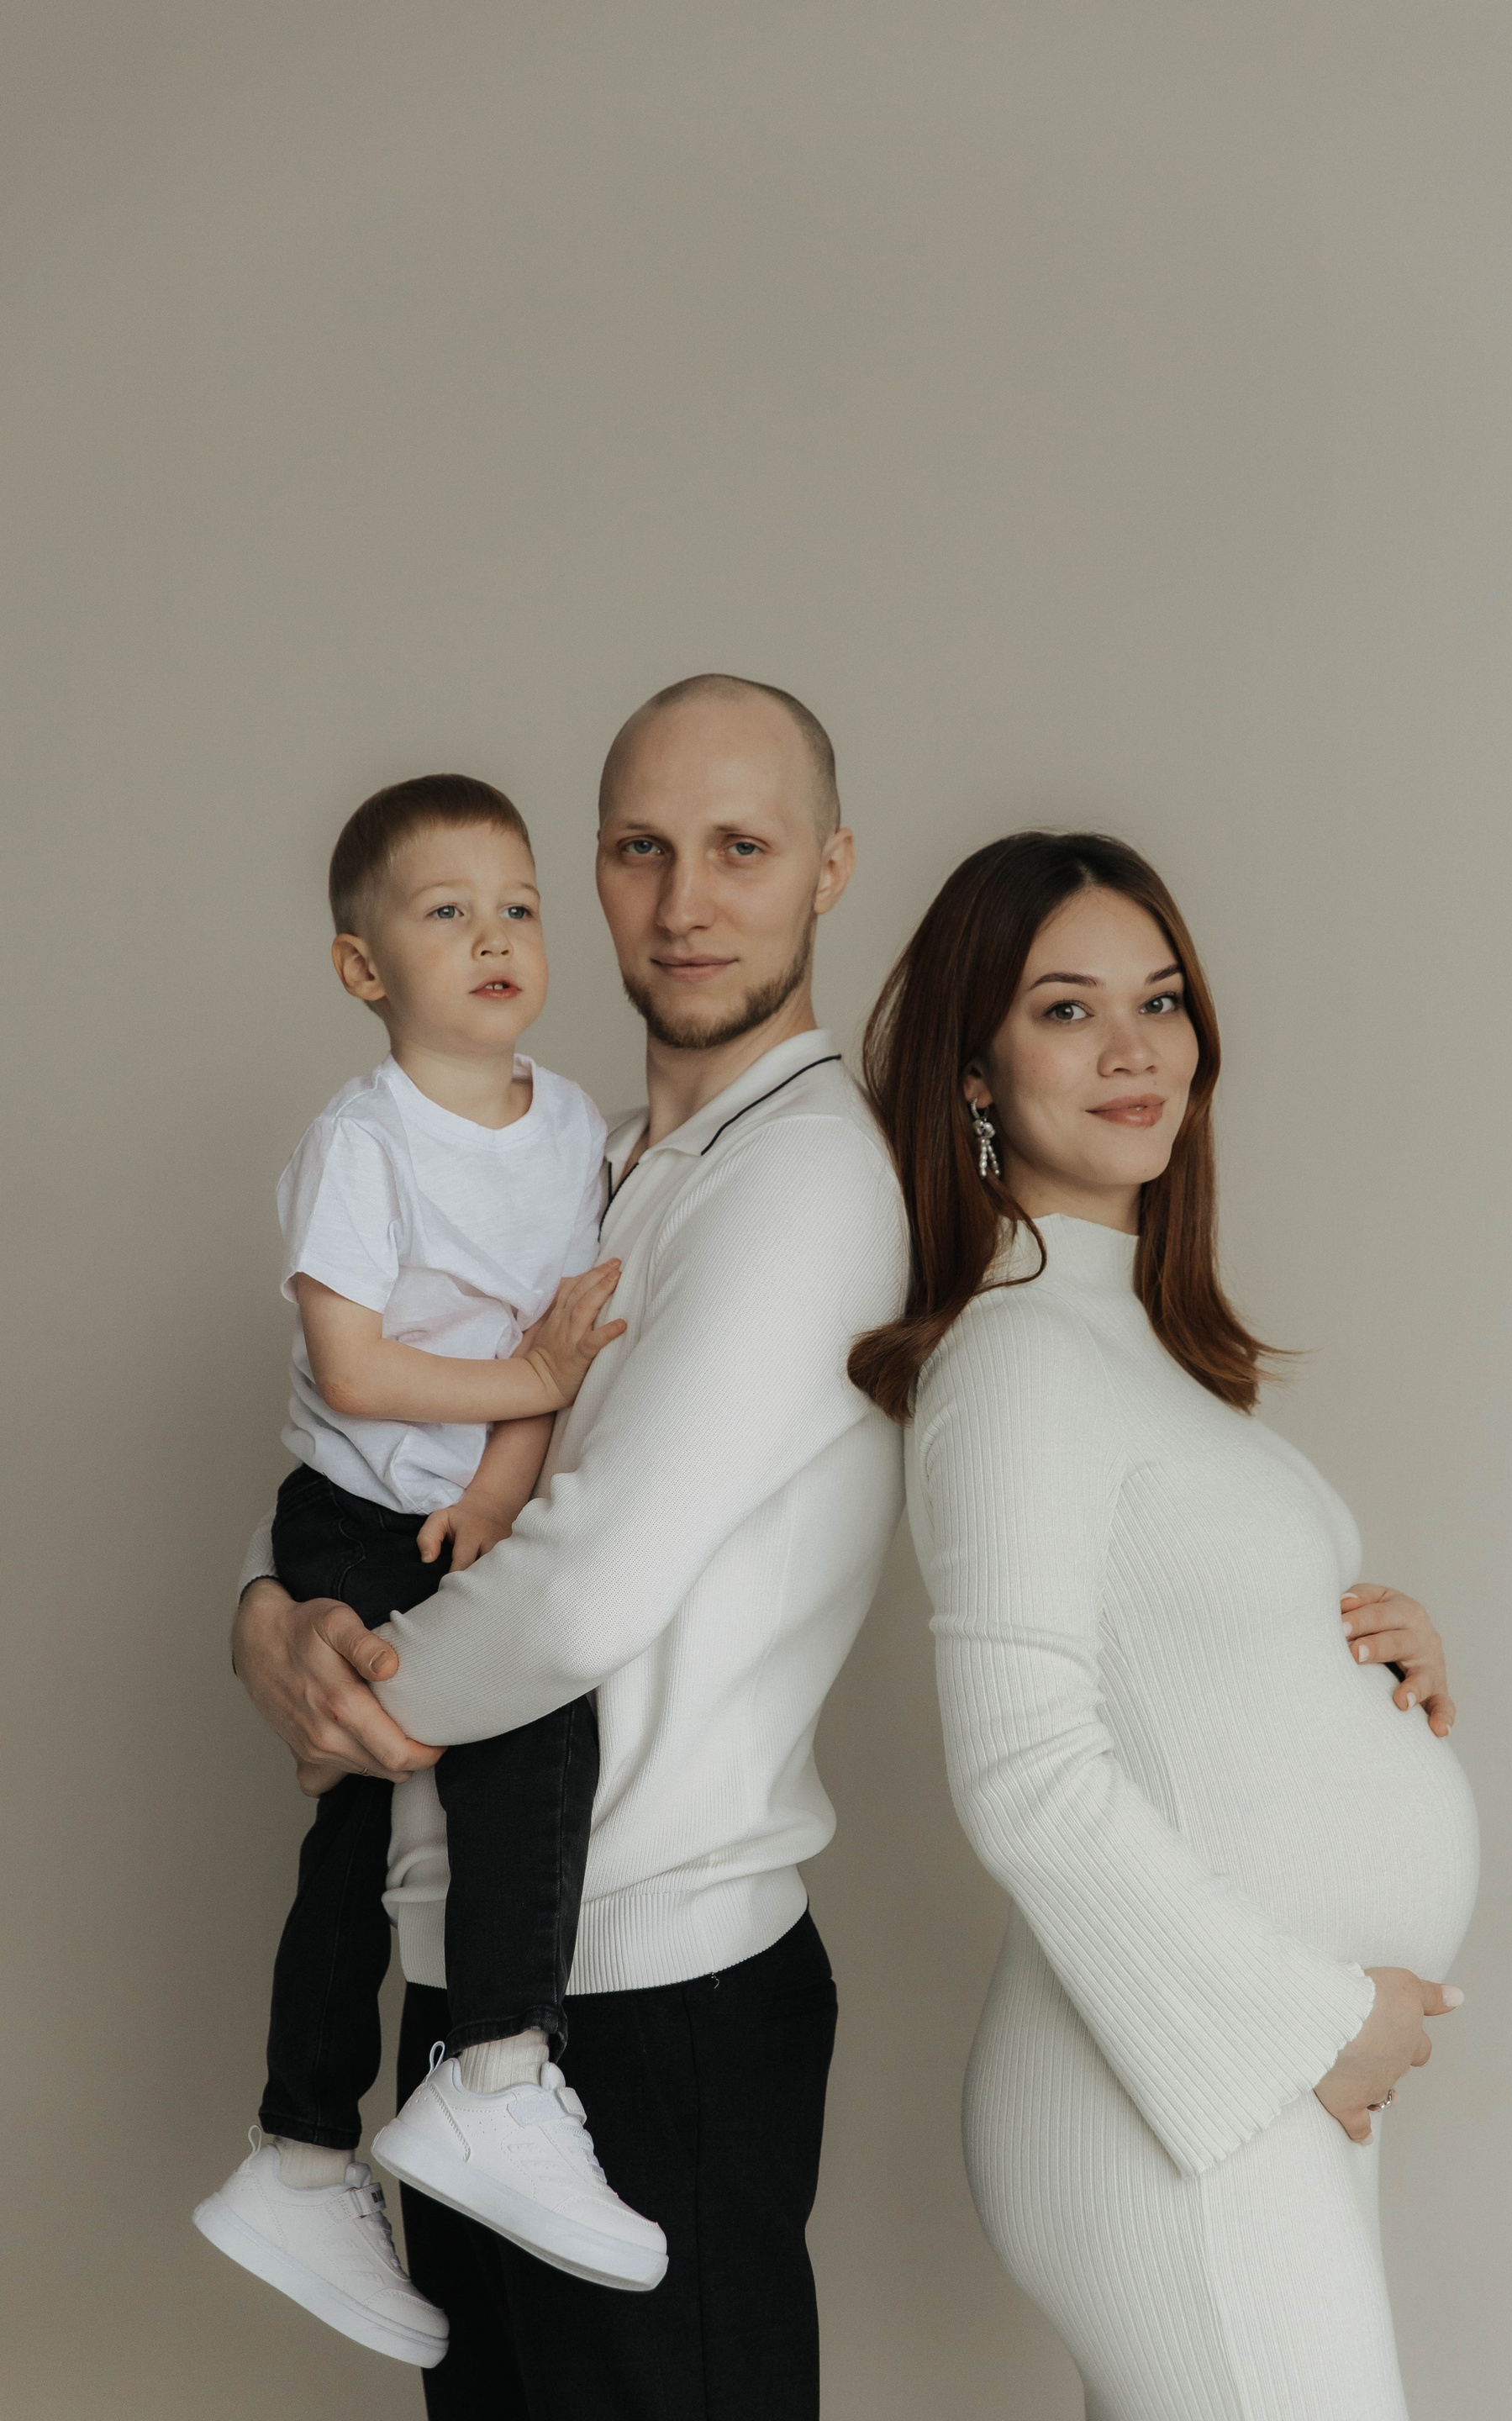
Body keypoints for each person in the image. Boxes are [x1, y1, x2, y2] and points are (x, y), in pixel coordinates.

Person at [229, 676, 909, 2418]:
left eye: (741, 848)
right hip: (479, 1998)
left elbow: (586, 1585)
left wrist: (349, 1696)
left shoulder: (803, 1179)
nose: (685, 904)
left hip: (655, 2000)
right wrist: (270, 1611)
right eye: (639, 850)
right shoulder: (578, 1160)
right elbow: (392, 1445)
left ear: (830, 870)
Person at [850, 830, 1479, 2421]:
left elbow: (1173, 1660)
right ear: (975, 1071)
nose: (1135, 1049)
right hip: (1182, 2086)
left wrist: (1365, 1652)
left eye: (1162, 999)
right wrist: (1318, 2022)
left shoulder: (1137, 1347)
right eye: (1066, 1010)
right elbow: (1023, 1777)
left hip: (1260, 2078)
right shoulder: (1013, 1360)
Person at [195, 774, 667, 2373]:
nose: (493, 936)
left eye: (517, 905)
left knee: (394, 1818)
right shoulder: (365, 1139)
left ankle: (305, 2155)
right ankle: (486, 2076)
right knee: (494, 1748)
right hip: (348, 1514)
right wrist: (525, 1389)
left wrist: (500, 1488)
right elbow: (358, 1367)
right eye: (446, 912)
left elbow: (566, 1346)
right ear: (363, 966)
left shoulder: (575, 1128)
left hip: (460, 1509)